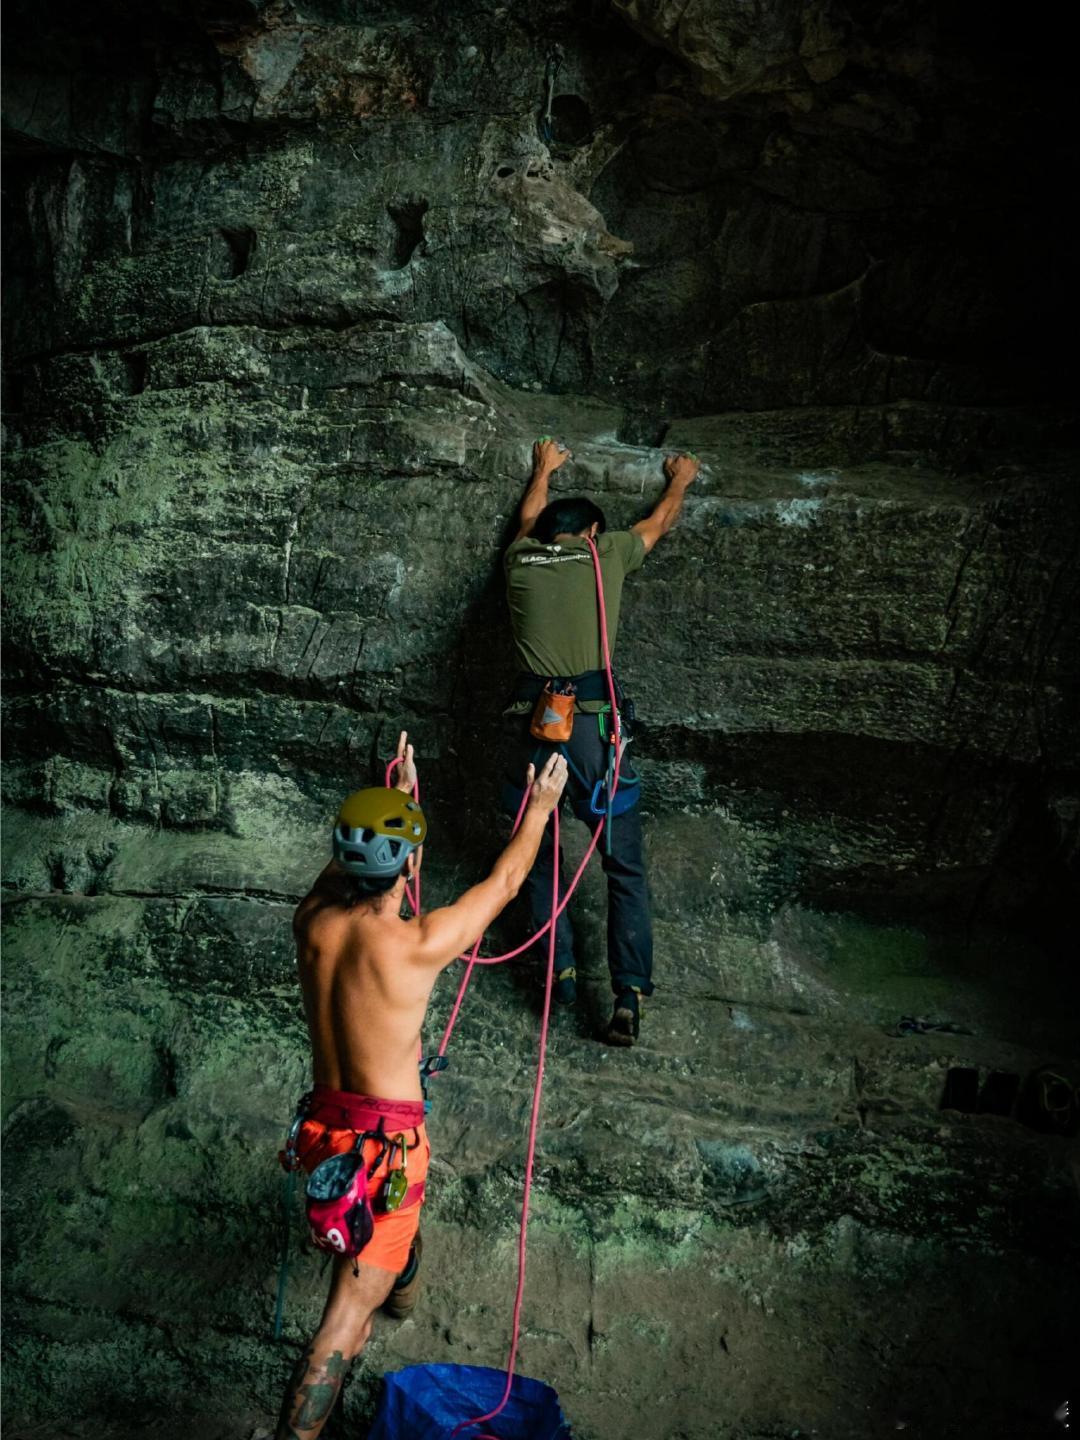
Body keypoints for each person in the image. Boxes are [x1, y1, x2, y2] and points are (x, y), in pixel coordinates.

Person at [274, 732, 568, 1440]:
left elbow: (351, 860)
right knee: (346, 1318)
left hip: (323, 1138)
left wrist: (397, 802)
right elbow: (502, 885)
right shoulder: (416, 944)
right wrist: (541, 807)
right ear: (405, 862)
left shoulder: (310, 922)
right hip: (387, 1155)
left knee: (379, 1258)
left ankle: (394, 1281)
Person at [501, 439, 700, 1046]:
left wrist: (543, 469)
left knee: (534, 849)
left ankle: (557, 970)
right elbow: (659, 522)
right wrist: (681, 480)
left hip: (531, 733)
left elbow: (528, 519)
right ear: (591, 531)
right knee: (623, 868)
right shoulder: (604, 552)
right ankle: (628, 994)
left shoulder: (517, 559)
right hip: (591, 736)